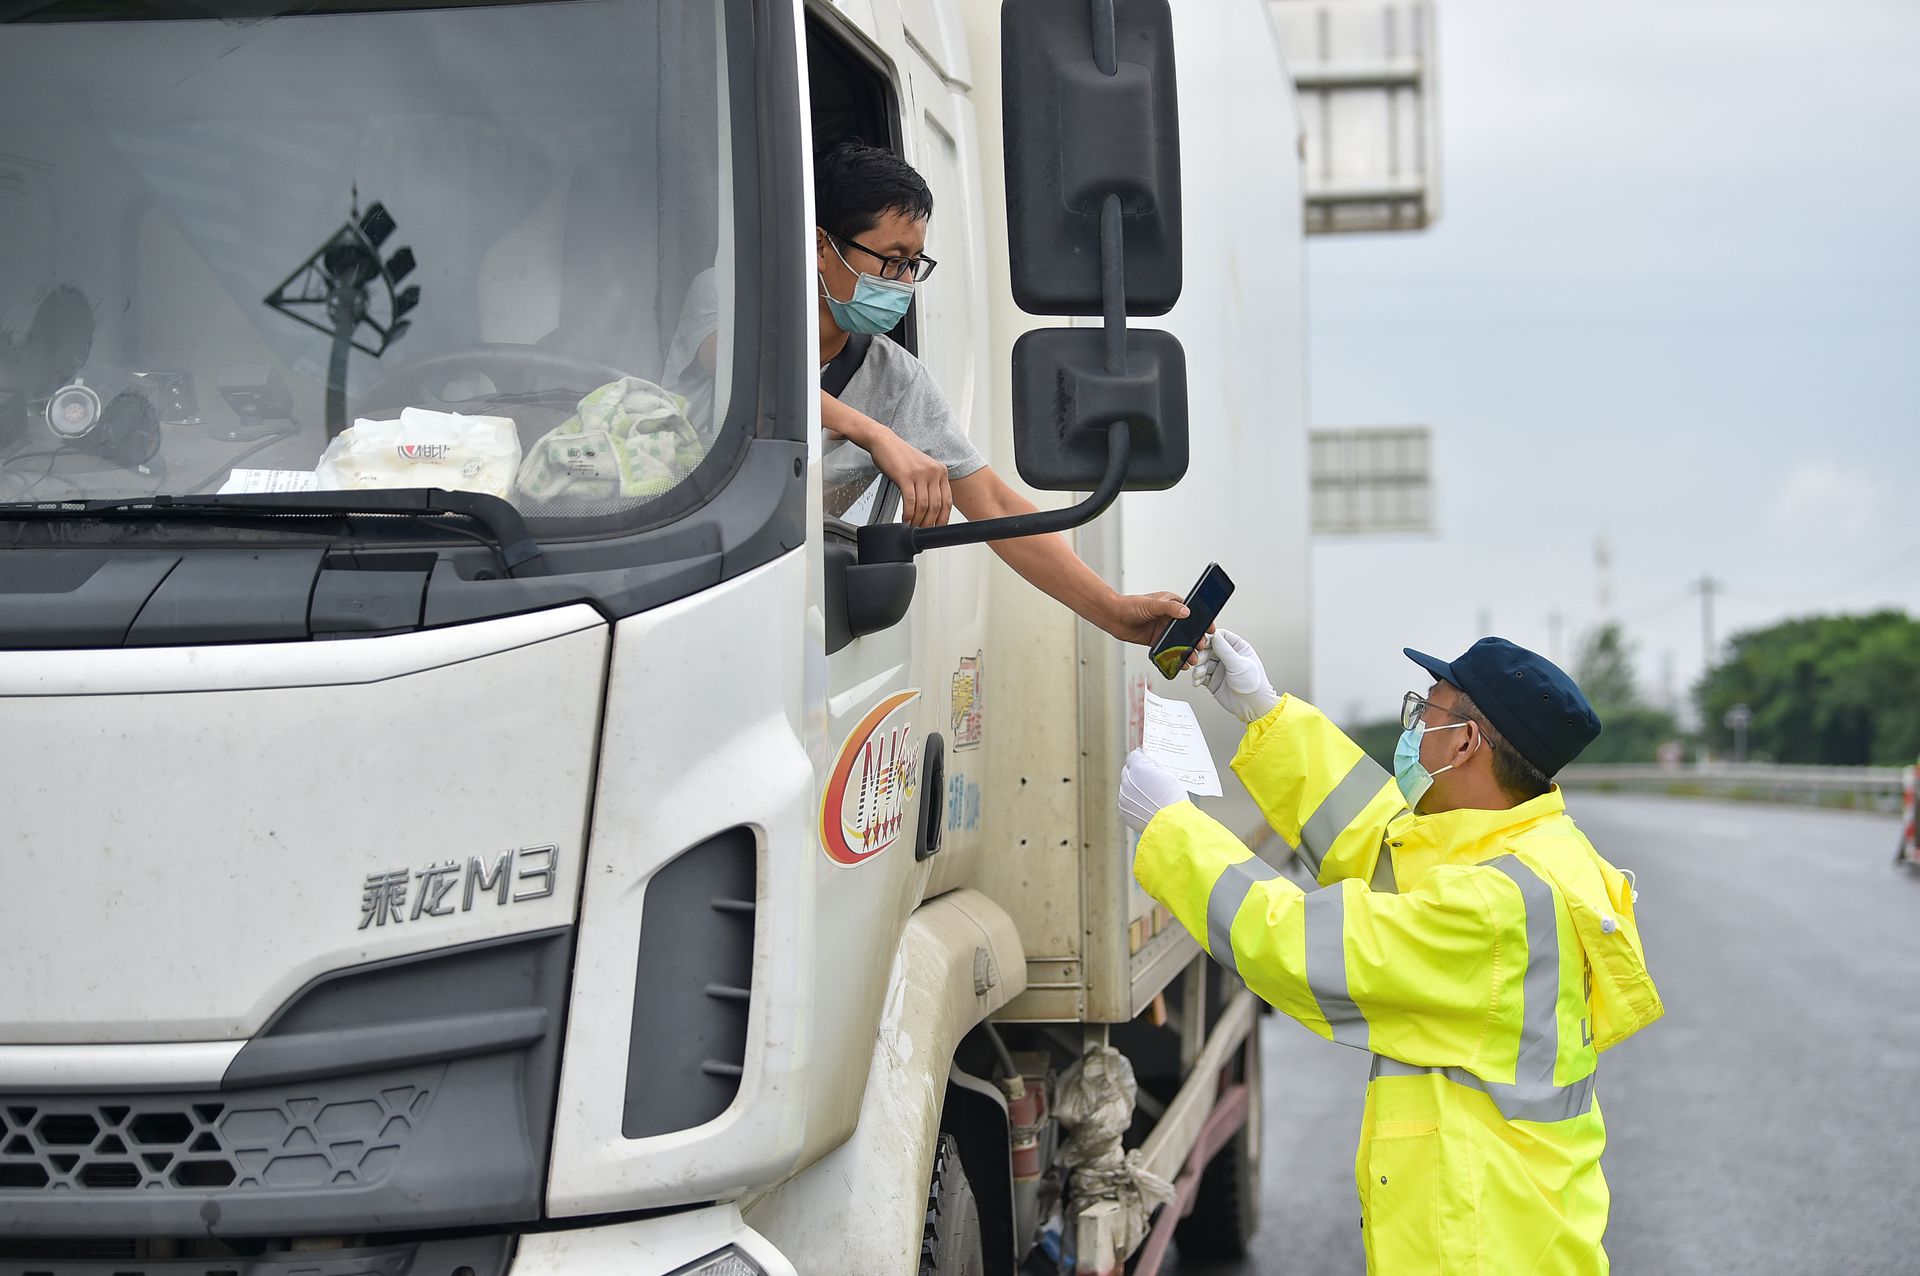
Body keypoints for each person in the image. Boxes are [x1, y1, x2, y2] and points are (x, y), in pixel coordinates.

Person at [1118, 633, 1663, 1273]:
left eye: (1423, 712)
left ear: (1464, 743)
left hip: (1481, 1250)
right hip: (1514, 1228)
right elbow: (1379, 842)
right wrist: (1263, 711)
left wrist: (1172, 829)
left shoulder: (1490, 908)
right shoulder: (1523, 848)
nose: (1412, 729)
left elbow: (1299, 946)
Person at [664, 140, 1191, 647]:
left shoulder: (897, 379)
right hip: (674, 584)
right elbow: (742, 370)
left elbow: (995, 506)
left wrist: (1114, 611)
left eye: (915, 264)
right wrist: (875, 435)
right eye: (892, 260)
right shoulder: (726, 294)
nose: (903, 282)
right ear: (822, 246)